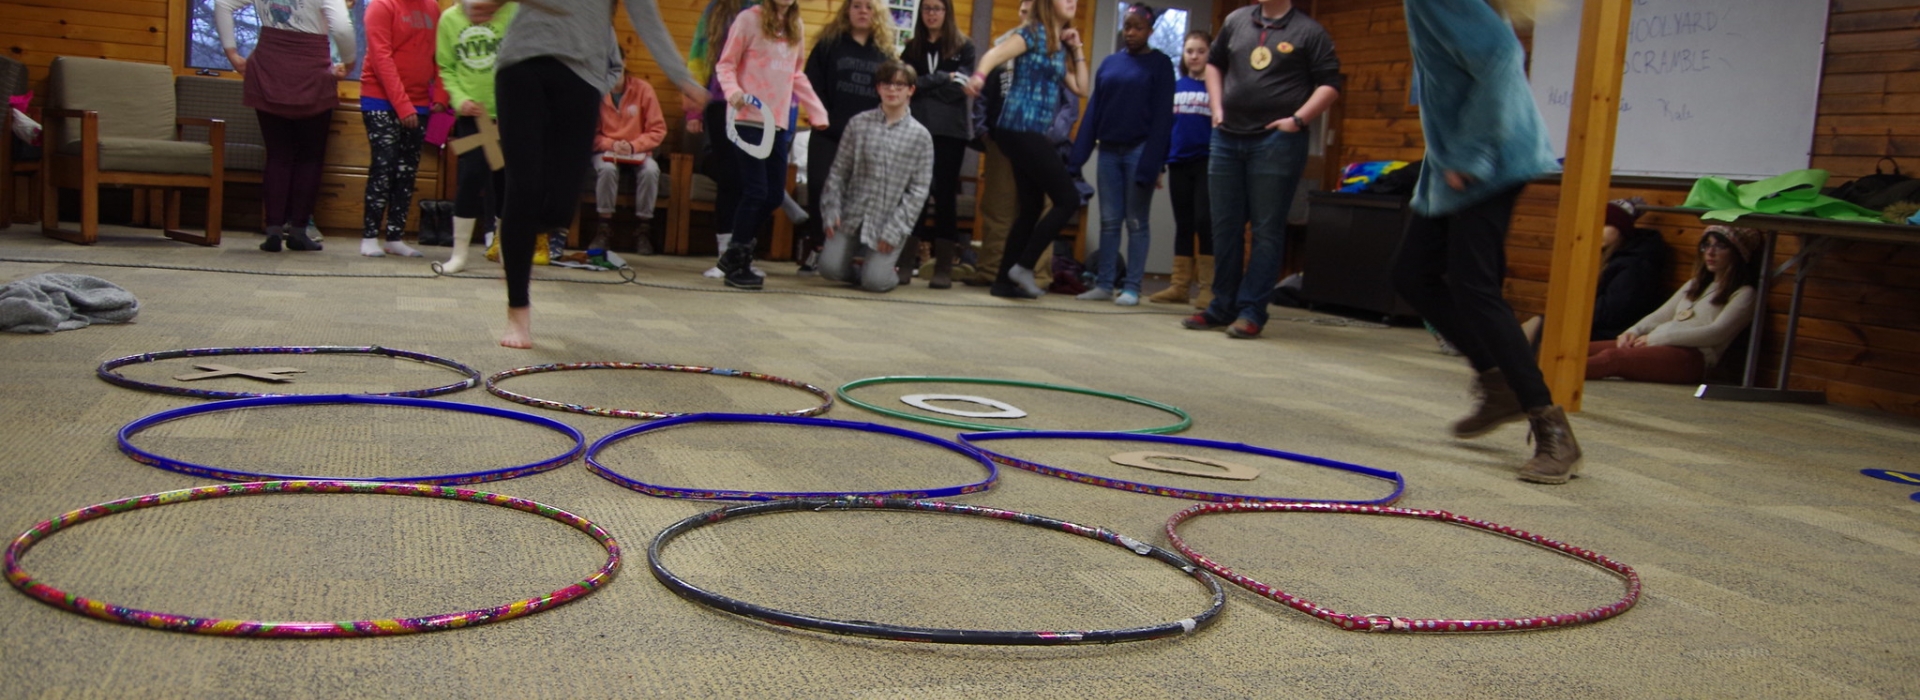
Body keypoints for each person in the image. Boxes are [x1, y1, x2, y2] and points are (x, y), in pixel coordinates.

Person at [1388, 0, 1579, 484]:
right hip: (1454, 156)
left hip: (1489, 156)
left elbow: (1499, 55)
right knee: (1413, 274)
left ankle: (1550, 425)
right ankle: (1498, 383)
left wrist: (1471, 154)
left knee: (1475, 287)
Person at [469, 0, 706, 349]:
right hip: (522, 61)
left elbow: (647, 18)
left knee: (560, 206)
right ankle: (518, 310)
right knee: (524, 187)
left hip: (582, 75)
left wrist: (682, 78)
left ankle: (523, 231)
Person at [1182, 0, 1341, 337]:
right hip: (1227, 137)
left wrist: (1298, 121)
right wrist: (1217, 108)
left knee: (1267, 229)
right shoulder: (1236, 20)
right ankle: (1220, 305)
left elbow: (1330, 84)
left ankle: (1252, 310)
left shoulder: (1309, 32)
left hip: (1276, 141)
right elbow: (1214, 64)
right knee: (1224, 226)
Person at [966, 0, 1090, 299]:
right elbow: (994, 54)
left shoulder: (1057, 44)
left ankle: (1003, 282)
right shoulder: (1031, 34)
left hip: (1028, 132)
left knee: (1032, 207)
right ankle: (1023, 266)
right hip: (1019, 127)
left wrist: (1076, 49)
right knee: (1068, 198)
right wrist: (979, 77)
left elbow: (1082, 88)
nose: (1072, 2)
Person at [215, 0, 355, 253]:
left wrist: (232, 54)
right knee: (310, 157)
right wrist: (350, 62)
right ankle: (299, 231)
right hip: (311, 70)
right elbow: (343, 29)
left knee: (277, 155)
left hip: (269, 66)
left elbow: (223, 3)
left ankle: (274, 231)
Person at [713, 0, 829, 290]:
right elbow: (726, 64)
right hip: (748, 118)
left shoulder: (796, 26)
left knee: (774, 196)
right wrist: (734, 92)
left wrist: (816, 110)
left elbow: (796, 73)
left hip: (777, 122)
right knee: (755, 190)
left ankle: (733, 254)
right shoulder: (747, 20)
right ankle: (738, 262)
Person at [1068, 3, 1173, 306]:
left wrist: (1154, 164)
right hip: (1109, 151)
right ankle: (1104, 284)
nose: (1130, 33)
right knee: (1110, 220)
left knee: (1136, 221)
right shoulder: (1110, 64)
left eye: (1138, 27)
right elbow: (1094, 114)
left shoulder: (1160, 65)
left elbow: (1163, 120)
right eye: (1127, 27)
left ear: (1149, 31)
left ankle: (1132, 287)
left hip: (1140, 151)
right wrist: (1078, 157)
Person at [817, 60, 935, 293]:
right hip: (853, 212)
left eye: (900, 85)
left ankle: (880, 272)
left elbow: (918, 192)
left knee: (876, 282)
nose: (892, 90)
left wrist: (895, 230)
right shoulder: (858, 124)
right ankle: (859, 273)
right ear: (878, 88)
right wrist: (831, 210)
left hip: (889, 220)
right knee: (829, 269)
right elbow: (839, 172)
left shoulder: (921, 137)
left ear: (910, 90)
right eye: (887, 84)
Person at [1588, 226, 1761, 384]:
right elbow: (1662, 314)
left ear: (1738, 253)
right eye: (1706, 246)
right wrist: (1633, 332)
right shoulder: (1696, 284)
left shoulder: (1745, 293)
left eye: (1720, 247)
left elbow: (1716, 333)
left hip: (1693, 356)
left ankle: (1562, 378)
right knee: (1584, 349)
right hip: (1658, 343)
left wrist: (1655, 338)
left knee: (1613, 358)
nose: (1710, 252)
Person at [801, 0, 891, 276]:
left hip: (866, 137)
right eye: (856, 6)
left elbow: (890, 92)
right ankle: (817, 247)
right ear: (846, 11)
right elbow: (810, 83)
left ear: (876, 14)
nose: (862, 11)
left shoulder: (883, 52)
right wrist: (822, 118)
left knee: (858, 195)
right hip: (828, 132)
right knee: (819, 185)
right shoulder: (829, 44)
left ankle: (848, 253)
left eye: (868, 7)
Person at [360, 0, 447, 258]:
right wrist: (402, 105)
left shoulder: (433, 9)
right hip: (380, 99)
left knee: (406, 172)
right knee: (383, 166)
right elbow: (381, 58)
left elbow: (439, 57)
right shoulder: (381, 6)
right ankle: (369, 236)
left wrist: (441, 96)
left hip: (419, 102)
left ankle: (395, 237)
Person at [431, 0, 513, 275]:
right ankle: (459, 254)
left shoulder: (513, 11)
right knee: (470, 177)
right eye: (476, 11)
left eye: (486, 10)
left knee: (505, 182)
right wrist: (460, 98)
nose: (481, 16)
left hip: (508, 115)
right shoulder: (449, 20)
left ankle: (504, 250)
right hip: (473, 117)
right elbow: (446, 68)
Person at [900, 0, 976, 289]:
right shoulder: (913, 47)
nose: (932, 13)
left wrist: (924, 87)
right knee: (915, 194)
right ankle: (906, 262)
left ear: (947, 12)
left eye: (938, 8)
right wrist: (943, 77)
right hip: (917, 129)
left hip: (950, 132)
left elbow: (960, 90)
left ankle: (944, 266)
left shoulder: (963, 46)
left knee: (945, 196)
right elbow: (907, 84)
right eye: (927, 8)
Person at [1150, 29, 1215, 308]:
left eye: (1201, 51)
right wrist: (1159, 166)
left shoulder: (1216, 87)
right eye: (1190, 51)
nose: (1195, 56)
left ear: (1210, 54)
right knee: (1184, 224)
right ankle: (1179, 286)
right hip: (1178, 163)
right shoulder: (1176, 88)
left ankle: (1207, 289)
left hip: (1207, 164)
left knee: (1205, 222)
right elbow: (1165, 129)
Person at [589, 66, 668, 260]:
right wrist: (612, 144)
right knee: (606, 169)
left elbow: (657, 130)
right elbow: (590, 133)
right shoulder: (596, 90)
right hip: (606, 150)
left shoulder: (643, 90)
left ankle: (643, 230)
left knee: (651, 170)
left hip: (637, 151)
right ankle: (604, 228)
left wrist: (633, 146)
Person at [1589, 196, 1671, 340]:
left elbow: (1613, 312)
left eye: (1606, 225)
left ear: (1622, 230)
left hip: (1618, 334)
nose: (1598, 230)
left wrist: (1574, 310)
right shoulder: (1607, 256)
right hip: (1598, 326)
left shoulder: (1634, 265)